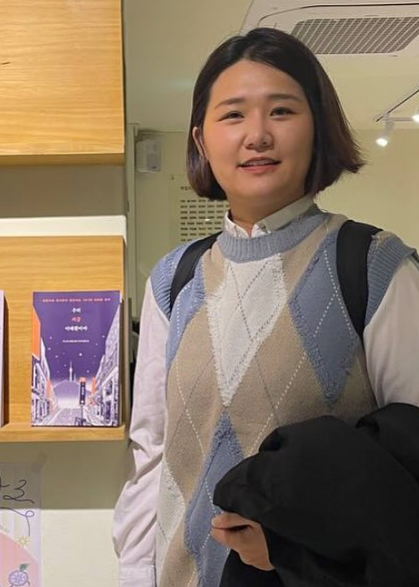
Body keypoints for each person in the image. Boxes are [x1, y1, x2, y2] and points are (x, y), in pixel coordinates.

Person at [113, 26, 419, 587]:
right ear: (202, 139)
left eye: (281, 111)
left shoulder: (372, 266)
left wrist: (291, 549)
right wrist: (136, 574)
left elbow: (411, 453)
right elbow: (151, 451)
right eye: (233, 115)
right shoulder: (174, 278)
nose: (257, 135)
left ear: (317, 126)